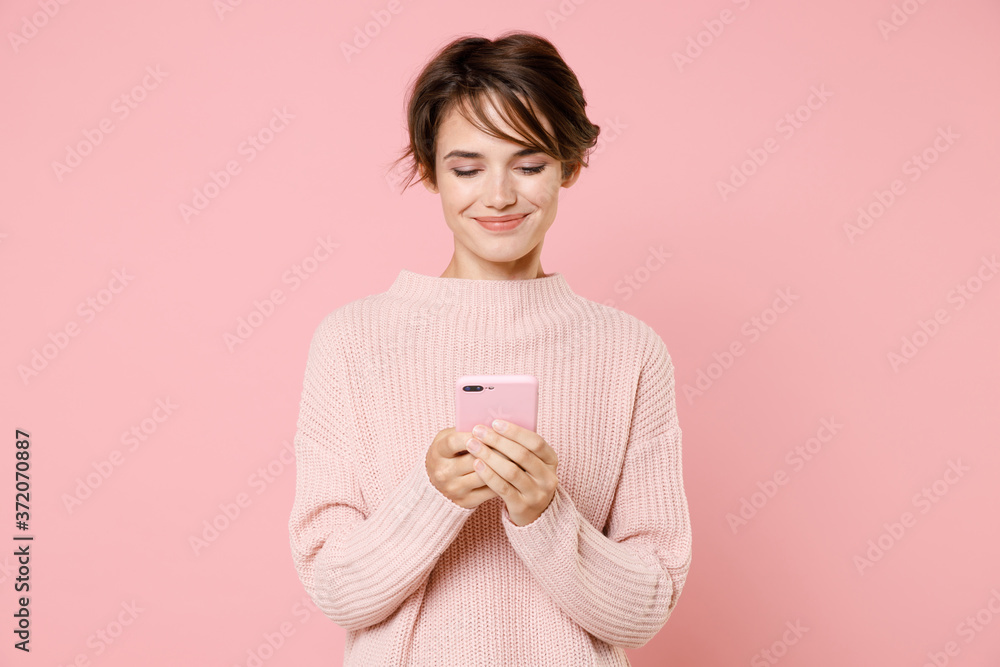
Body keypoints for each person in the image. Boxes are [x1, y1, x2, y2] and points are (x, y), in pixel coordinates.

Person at [287, 30, 692, 666]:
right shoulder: (351, 344)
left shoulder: (629, 353)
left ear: (570, 164)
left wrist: (544, 515)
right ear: (429, 171)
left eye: (529, 165)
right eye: (467, 168)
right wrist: (432, 497)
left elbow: (647, 606)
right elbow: (335, 588)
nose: (499, 195)